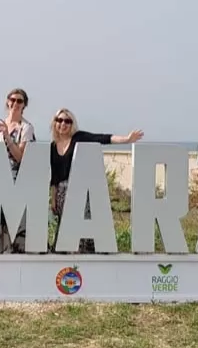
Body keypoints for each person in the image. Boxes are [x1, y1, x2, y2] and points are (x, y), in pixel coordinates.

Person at [49, 108, 142, 253]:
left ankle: (85, 258)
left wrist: (126, 139)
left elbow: (101, 138)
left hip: (78, 191)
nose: (63, 124)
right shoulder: (53, 146)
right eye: (59, 120)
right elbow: (54, 176)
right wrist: (53, 197)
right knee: (64, 227)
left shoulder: (78, 138)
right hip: (61, 193)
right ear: (55, 123)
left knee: (82, 225)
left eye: (67, 121)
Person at [0, 87, 34, 253]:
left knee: (15, 225)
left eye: (19, 101)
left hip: (16, 181)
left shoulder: (26, 128)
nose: (15, 103)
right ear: (7, 102)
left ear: (24, 105)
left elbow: (20, 156)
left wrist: (7, 137)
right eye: (12, 100)